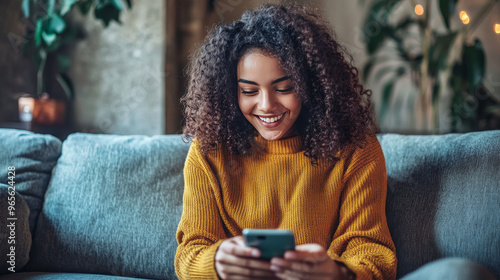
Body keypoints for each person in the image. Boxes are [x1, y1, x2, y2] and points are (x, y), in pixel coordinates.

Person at [175, 3, 396, 280]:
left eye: (284, 88)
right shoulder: (209, 151)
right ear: (231, 92)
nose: (266, 105)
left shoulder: (355, 148)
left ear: (311, 85)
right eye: (248, 91)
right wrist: (217, 262)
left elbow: (372, 253)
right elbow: (189, 254)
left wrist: (338, 273)